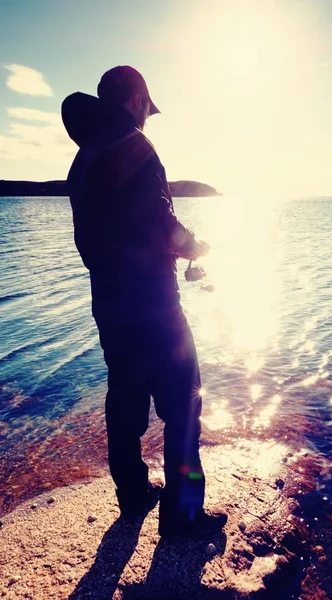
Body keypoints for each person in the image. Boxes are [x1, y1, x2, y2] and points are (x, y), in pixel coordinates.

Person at [61, 65, 227, 539]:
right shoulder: (135, 145)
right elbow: (160, 225)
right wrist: (194, 246)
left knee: (125, 399)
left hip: (110, 306)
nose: (149, 118)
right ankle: (182, 518)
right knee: (185, 403)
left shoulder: (84, 158)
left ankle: (132, 494)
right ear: (135, 99)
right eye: (147, 108)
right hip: (155, 306)